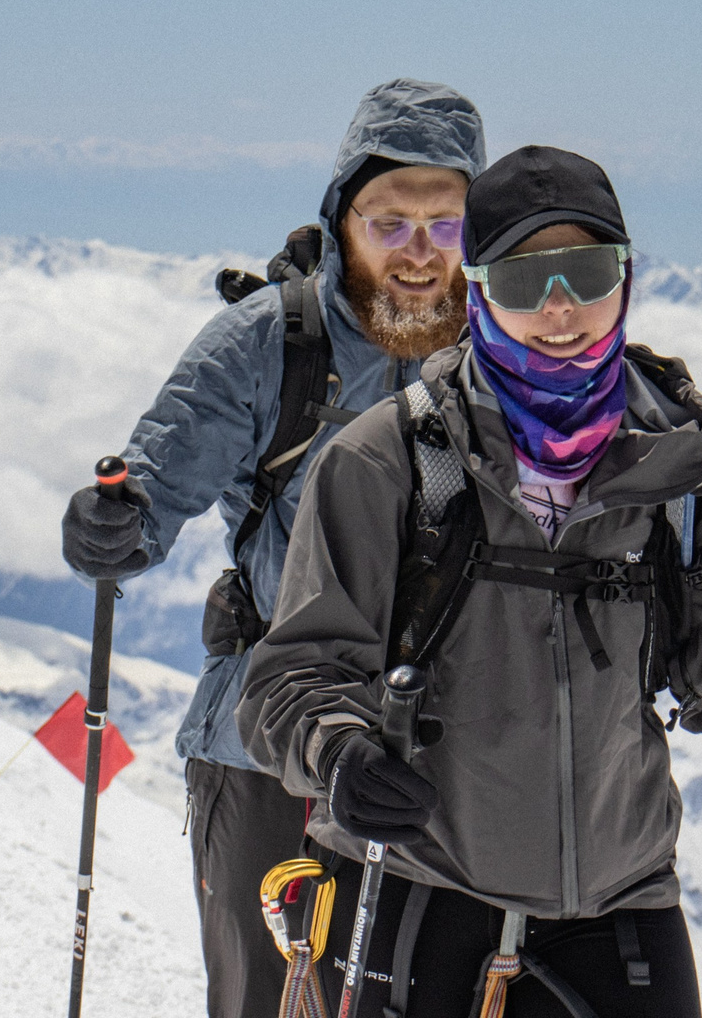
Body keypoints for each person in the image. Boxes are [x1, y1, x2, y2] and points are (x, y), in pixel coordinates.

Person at [239, 146, 702, 1018]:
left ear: (624, 279)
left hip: (623, 905)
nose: (559, 308)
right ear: (477, 291)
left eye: (587, 274)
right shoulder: (384, 463)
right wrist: (340, 756)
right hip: (419, 893)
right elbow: (290, 679)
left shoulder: (675, 469)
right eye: (523, 280)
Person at [60, 78, 489, 1018]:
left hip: (454, 760)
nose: (419, 251)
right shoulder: (270, 346)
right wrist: (111, 526)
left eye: (446, 224)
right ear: (343, 220)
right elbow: (149, 497)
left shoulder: (516, 350)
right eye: (390, 222)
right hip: (271, 753)